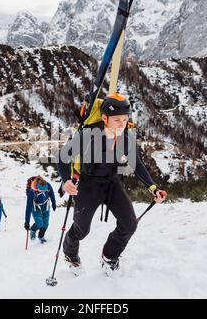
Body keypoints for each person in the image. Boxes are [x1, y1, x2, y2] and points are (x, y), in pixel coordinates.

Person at [57, 93, 167, 274]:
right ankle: (70, 253)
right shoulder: (87, 135)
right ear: (104, 118)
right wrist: (66, 180)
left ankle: (109, 255)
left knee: (129, 224)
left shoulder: (127, 138)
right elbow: (62, 158)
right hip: (88, 185)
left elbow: (137, 164)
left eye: (125, 119)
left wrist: (153, 188)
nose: (122, 124)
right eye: (117, 120)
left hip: (111, 183)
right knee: (81, 231)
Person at [24, 176, 57, 244]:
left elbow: (51, 193)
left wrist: (54, 203)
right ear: (37, 187)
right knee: (39, 223)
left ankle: (41, 236)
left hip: (45, 203)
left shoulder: (47, 185)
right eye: (41, 191)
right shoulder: (31, 192)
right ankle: (33, 230)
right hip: (35, 205)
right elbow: (28, 207)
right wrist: (27, 222)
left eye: (44, 191)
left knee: (45, 223)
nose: (43, 192)